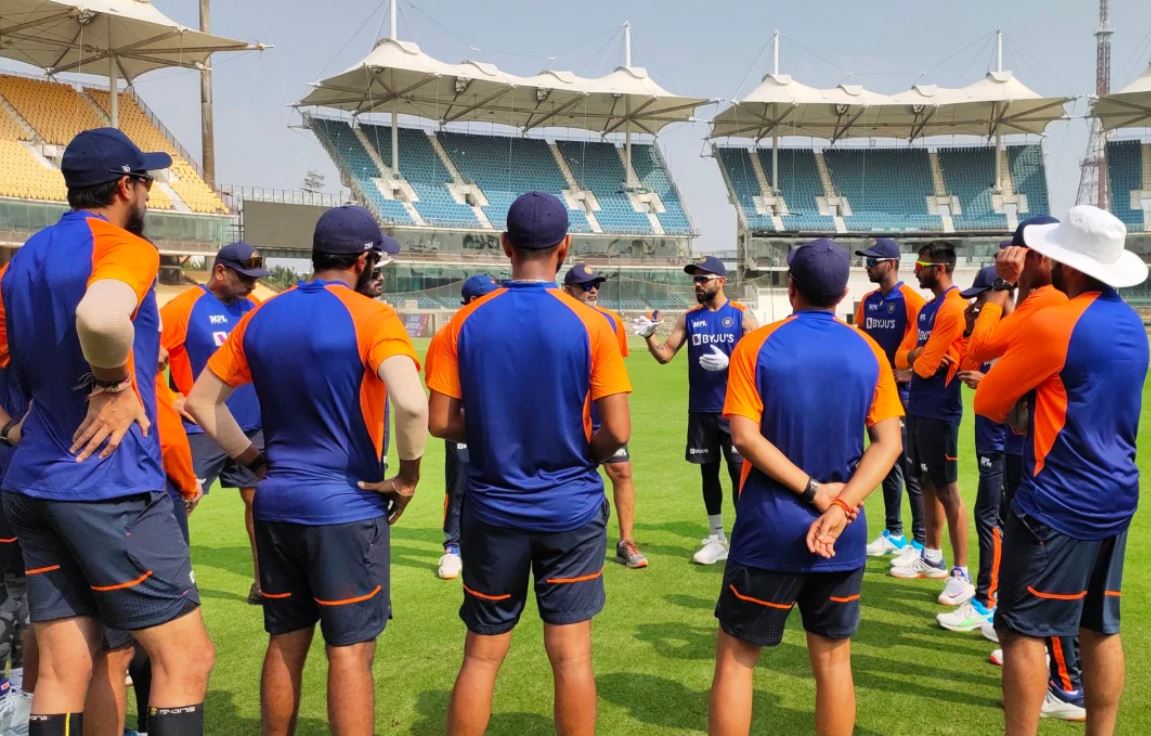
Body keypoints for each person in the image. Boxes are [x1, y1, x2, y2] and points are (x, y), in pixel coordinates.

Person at [0, 127, 214, 736]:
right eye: (144, 182)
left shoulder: (22, 262)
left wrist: (17, 428)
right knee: (186, 658)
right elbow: (99, 314)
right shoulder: (124, 246)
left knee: (65, 668)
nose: (147, 194)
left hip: (35, 485)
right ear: (126, 186)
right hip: (107, 485)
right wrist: (114, 384)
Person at [186, 204, 427, 736]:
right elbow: (411, 404)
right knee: (349, 654)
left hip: (276, 502)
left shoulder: (261, 315)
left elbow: (201, 403)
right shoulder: (373, 317)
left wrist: (252, 459)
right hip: (344, 507)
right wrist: (408, 477)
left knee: (286, 641)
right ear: (363, 260)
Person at [427, 192, 631, 736]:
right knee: (571, 657)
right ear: (565, 247)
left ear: (505, 246)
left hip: (493, 509)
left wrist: (496, 428)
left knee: (481, 657)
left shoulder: (462, 324)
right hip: (570, 507)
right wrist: (582, 450)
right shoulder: (592, 324)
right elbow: (617, 431)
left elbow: (441, 422)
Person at [709, 239, 903, 736]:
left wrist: (818, 493)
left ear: (790, 287)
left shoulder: (757, 346)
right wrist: (840, 504)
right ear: (842, 292)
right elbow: (889, 444)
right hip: (842, 533)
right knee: (834, 663)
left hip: (769, 528)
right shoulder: (869, 349)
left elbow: (745, 437)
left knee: (737, 659)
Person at [974, 205, 1147, 736]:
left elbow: (988, 400)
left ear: (1065, 265)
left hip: (1058, 501)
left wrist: (1004, 293)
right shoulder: (1132, 323)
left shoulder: (1056, 323)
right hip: (1115, 494)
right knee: (1099, 626)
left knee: (1022, 631)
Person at [632, 255, 757, 565]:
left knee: (739, 472)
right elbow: (664, 355)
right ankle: (716, 537)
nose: (697, 284)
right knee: (708, 472)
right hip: (701, 409)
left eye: (703, 278)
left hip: (735, 409)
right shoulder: (689, 317)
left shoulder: (741, 316)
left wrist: (733, 362)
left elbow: (761, 358)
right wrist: (650, 336)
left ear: (721, 281)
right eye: (695, 279)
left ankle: (744, 538)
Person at [161, 241, 267, 604]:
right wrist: (171, 397)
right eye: (244, 277)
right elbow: (145, 355)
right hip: (200, 429)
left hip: (251, 426)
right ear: (220, 271)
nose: (252, 284)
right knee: (177, 503)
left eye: (255, 277)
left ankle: (263, 584)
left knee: (260, 502)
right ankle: (170, 588)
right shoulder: (184, 308)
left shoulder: (254, 308)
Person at [891, 241, 972, 607]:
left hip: (941, 409)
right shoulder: (927, 310)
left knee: (947, 490)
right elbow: (903, 356)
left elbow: (919, 367)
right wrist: (921, 356)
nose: (914, 271)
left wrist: (918, 360)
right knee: (924, 481)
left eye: (920, 264)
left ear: (938, 268)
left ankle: (962, 572)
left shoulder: (954, 308)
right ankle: (932, 554)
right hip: (920, 406)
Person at [562, 263, 647, 569]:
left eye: (595, 284)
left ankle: (625, 541)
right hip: (567, 416)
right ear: (568, 290)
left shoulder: (611, 321)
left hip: (600, 415)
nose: (592, 290)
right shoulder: (558, 318)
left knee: (622, 472)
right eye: (585, 285)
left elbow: (614, 373)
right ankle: (569, 540)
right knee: (567, 476)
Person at [936, 265, 1005, 632]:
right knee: (995, 519)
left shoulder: (1018, 332)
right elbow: (968, 363)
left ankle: (988, 602)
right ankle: (995, 602)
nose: (977, 304)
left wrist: (989, 379)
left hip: (1005, 443)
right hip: (991, 439)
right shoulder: (992, 332)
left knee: (991, 518)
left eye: (982, 297)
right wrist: (967, 327)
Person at [852, 238, 926, 560]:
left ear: (892, 263)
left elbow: (934, 345)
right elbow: (861, 344)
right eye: (866, 261)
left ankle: (921, 539)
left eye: (873, 261)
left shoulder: (912, 301)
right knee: (885, 465)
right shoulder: (868, 301)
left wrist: (912, 372)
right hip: (877, 396)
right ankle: (894, 532)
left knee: (910, 468)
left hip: (907, 398)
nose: (867, 266)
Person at [434, 274, 499, 581]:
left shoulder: (503, 333)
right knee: (460, 484)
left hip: (499, 425)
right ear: (474, 301)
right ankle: (452, 547)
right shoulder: (450, 335)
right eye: (491, 298)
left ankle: (488, 541)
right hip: (463, 424)